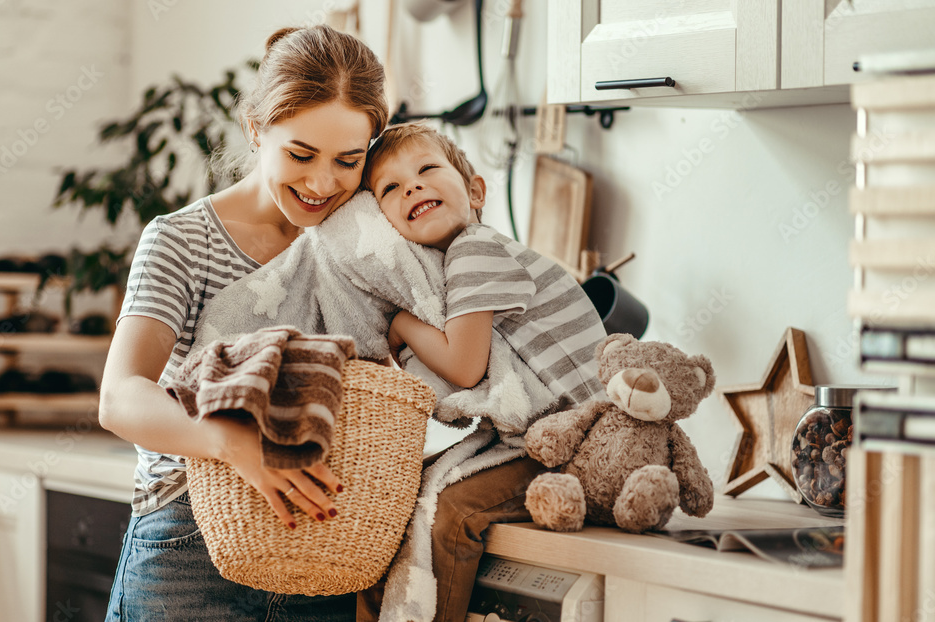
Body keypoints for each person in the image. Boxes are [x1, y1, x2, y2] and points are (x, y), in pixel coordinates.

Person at [99, 24, 388, 621]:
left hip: (321, 541)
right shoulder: (181, 241)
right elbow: (120, 397)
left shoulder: (364, 245)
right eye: (300, 155)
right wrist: (230, 442)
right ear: (255, 129)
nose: (322, 183)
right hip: (187, 547)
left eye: (348, 161)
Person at [357, 123, 608, 621]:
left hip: (581, 444)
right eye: (390, 187)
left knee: (452, 514)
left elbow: (465, 367)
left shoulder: (474, 250)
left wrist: (402, 325)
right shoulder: (455, 260)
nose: (412, 186)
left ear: (475, 191)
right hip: (562, 436)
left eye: (427, 169)